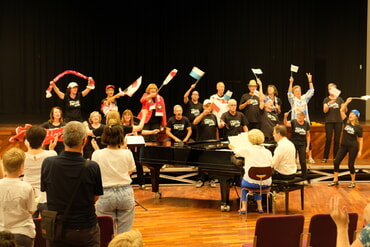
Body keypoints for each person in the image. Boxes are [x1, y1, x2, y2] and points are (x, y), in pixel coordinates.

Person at [41, 121, 103, 247]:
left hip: (57, 228)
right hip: (85, 228)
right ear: (84, 141)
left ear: (62, 139)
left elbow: (46, 190)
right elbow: (95, 197)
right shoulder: (92, 167)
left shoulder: (48, 163)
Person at [91, 121, 136, 234]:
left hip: (105, 193)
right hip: (125, 192)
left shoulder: (97, 154)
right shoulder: (127, 153)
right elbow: (129, 171)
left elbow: (96, 173)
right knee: (125, 233)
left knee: (107, 233)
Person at [230, 129, 272, 214]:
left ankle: (244, 207)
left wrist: (232, 147)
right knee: (258, 178)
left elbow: (237, 152)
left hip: (251, 182)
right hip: (266, 182)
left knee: (245, 183)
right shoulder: (268, 152)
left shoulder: (248, 150)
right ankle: (259, 207)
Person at [0, 148, 36, 247]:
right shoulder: (27, 187)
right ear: (21, 167)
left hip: (2, 233)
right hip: (23, 233)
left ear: (4, 167)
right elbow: (32, 211)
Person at [23, 125, 58, 218]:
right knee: (48, 227)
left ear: (27, 140)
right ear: (43, 140)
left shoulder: (22, 156)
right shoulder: (52, 154)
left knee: (29, 225)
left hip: (28, 195)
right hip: (46, 196)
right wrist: (51, 149)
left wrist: (28, 148)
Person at [328, 98, 363, 188]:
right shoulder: (345, 121)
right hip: (343, 146)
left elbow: (360, 139)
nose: (350, 115)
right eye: (350, 114)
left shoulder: (358, 127)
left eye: (353, 114)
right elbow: (341, 110)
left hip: (353, 147)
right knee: (336, 162)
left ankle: (353, 182)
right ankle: (335, 180)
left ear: (356, 117)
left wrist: (360, 151)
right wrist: (347, 102)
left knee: (350, 164)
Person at [121, 109, 159, 190]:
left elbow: (141, 131)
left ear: (131, 116)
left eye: (129, 115)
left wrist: (152, 132)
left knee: (139, 165)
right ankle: (127, 184)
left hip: (135, 149)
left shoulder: (134, 125)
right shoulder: (122, 126)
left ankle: (141, 184)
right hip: (125, 150)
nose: (127, 116)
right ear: (123, 116)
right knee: (127, 167)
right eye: (125, 115)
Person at [287, 73, 315, 164]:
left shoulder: (304, 98)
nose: (298, 92)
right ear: (294, 93)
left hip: (305, 122)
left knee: (307, 138)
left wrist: (310, 80)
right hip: (296, 122)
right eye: (296, 91)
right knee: (297, 139)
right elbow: (289, 93)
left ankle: (310, 157)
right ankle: (297, 157)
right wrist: (291, 83)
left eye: (299, 91)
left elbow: (311, 91)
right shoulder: (293, 100)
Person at [193, 99, 219, 188]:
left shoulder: (214, 116)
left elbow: (216, 129)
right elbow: (195, 122)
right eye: (207, 106)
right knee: (201, 162)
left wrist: (217, 141)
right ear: (204, 107)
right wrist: (203, 114)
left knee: (212, 162)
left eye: (210, 106)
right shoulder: (201, 115)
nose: (209, 108)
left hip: (212, 143)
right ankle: (200, 179)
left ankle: (211, 179)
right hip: (202, 142)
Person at [283, 111, 310, 180]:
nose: (299, 117)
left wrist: (308, 146)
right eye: (298, 115)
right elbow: (285, 124)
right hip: (293, 143)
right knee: (291, 159)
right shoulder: (294, 122)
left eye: (301, 116)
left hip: (302, 144)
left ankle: (304, 177)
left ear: (304, 117)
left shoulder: (306, 124)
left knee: (303, 161)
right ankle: (291, 175)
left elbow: (308, 136)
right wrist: (285, 117)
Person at [322, 83, 345, 163]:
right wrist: (329, 104)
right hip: (329, 121)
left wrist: (345, 105)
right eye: (329, 89)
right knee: (328, 139)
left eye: (331, 89)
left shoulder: (340, 99)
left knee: (337, 139)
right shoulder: (326, 99)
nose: (330, 91)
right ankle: (325, 157)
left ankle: (336, 157)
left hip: (338, 121)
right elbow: (325, 111)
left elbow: (344, 110)